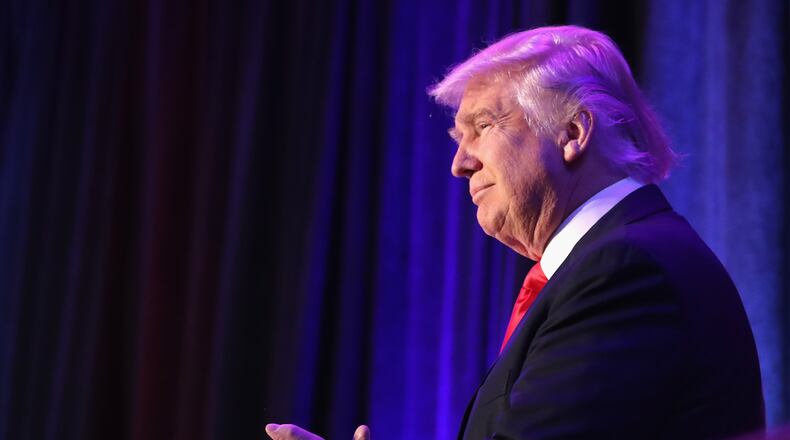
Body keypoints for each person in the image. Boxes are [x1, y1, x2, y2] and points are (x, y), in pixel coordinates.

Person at [266, 25, 765, 440]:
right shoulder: (611, 263)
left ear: (572, 133)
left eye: (482, 127)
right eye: (457, 138)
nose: (460, 164)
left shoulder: (625, 270)